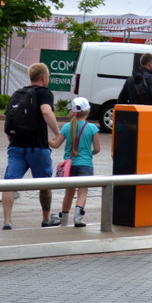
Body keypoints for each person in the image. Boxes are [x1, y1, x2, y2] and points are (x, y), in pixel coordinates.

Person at [1, 63, 62, 230]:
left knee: (9, 184)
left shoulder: (17, 93)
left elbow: (9, 120)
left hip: (16, 147)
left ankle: (7, 221)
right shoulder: (44, 93)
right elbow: (46, 112)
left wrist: (13, 142)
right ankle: (46, 219)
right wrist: (57, 133)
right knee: (44, 185)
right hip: (37, 148)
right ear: (44, 77)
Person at [49, 97, 100, 227]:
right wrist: (90, 154)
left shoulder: (67, 127)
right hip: (85, 164)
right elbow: (97, 149)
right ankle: (78, 218)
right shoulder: (92, 128)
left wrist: (47, 140)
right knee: (82, 192)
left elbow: (55, 145)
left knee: (69, 192)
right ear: (87, 111)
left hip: (69, 165)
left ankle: (64, 220)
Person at [117, 53, 152, 161]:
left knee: (134, 151)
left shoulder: (130, 80)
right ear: (150, 64)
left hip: (132, 122)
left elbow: (121, 100)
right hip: (148, 120)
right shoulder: (151, 78)